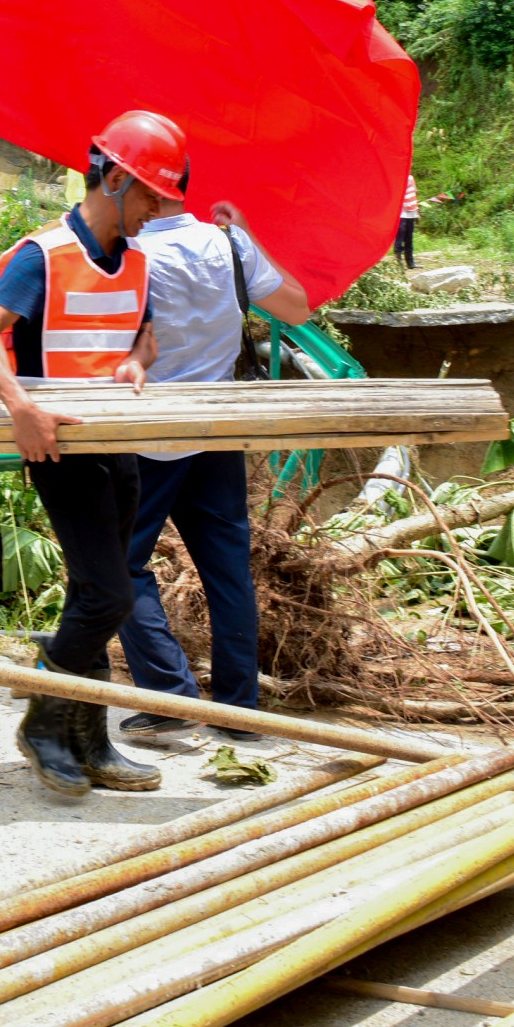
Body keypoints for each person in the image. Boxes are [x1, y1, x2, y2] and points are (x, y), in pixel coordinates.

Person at [0, 110, 185, 798]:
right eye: (151, 194)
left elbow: (142, 335)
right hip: (61, 449)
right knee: (111, 593)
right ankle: (42, 721)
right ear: (115, 178)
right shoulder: (44, 254)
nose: (157, 209)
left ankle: (92, 742)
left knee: (99, 594)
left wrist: (135, 364)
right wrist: (20, 408)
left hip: (117, 444)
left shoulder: (139, 259)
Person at [115, 195, 311, 744]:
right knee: (226, 569)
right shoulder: (228, 243)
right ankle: (238, 710)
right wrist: (248, 233)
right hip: (218, 428)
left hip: (147, 432)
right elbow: (298, 308)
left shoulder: (123, 250)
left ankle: (170, 696)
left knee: (115, 562)